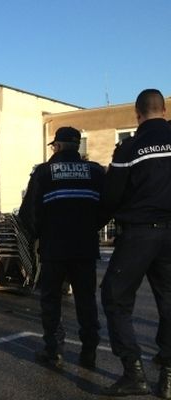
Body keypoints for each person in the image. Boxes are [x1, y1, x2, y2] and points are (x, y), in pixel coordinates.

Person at [100, 89, 171, 398]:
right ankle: (168, 376)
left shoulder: (129, 148)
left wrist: (95, 225)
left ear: (137, 115)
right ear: (165, 110)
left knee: (114, 297)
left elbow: (111, 195)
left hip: (139, 233)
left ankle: (134, 373)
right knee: (169, 301)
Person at [18, 126, 104, 369]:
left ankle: (53, 350)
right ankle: (89, 353)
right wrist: (90, 228)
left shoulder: (44, 172)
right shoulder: (95, 172)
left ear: (57, 146)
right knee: (86, 300)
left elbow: (28, 213)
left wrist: (40, 234)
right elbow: (108, 206)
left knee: (51, 300)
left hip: (54, 248)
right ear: (77, 146)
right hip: (84, 248)